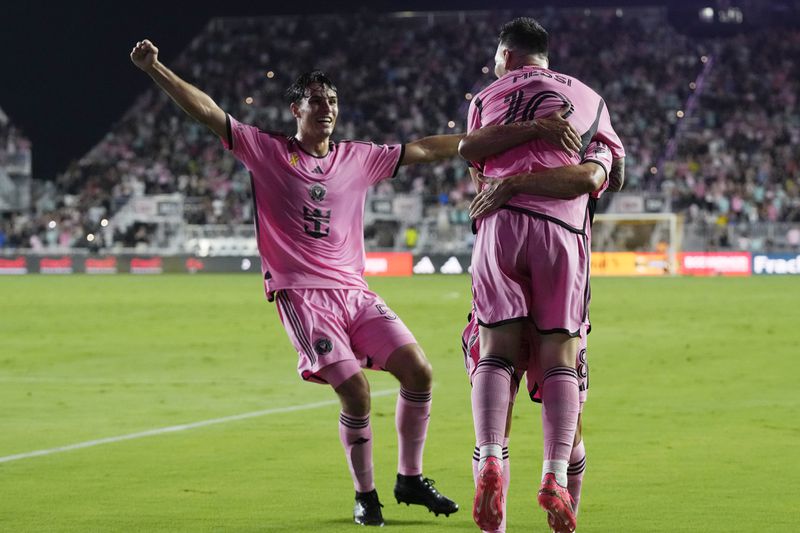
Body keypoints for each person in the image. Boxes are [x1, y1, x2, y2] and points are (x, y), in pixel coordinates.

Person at [129, 37, 578, 527]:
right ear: (295, 108)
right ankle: (365, 496)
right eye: (317, 101)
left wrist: (504, 136)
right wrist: (158, 70)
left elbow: (428, 148)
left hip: (355, 293)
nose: (327, 109)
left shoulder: (357, 157)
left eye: (333, 101)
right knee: (356, 391)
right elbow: (210, 113)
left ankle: (409, 478)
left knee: (419, 372)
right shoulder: (266, 150)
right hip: (302, 295)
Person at [460, 17, 625, 533]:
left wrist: (510, 182)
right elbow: (606, 173)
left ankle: (489, 457)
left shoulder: (485, 98)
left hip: (498, 231)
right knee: (560, 355)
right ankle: (554, 475)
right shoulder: (589, 99)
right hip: (561, 232)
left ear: (506, 56)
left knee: (494, 351)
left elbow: (473, 160)